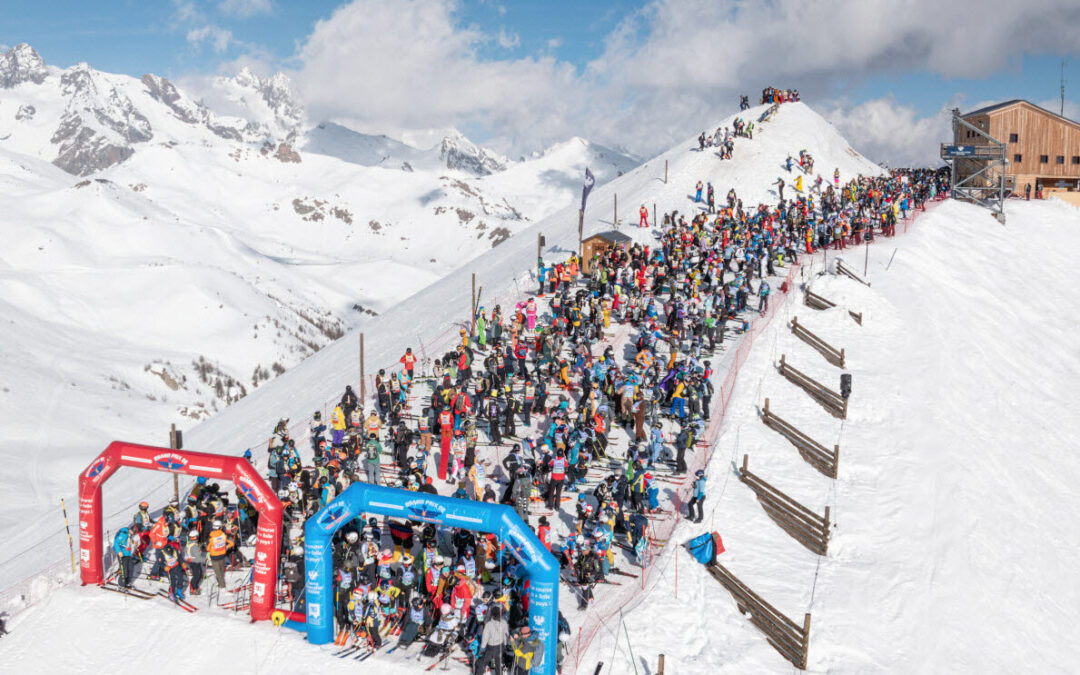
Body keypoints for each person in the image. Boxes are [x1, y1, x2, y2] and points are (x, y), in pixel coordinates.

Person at [474, 604, 508, 675]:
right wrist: (505, 644)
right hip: (500, 646)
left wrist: (482, 648)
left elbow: (485, 637)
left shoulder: (488, 624)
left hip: (491, 647)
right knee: (498, 664)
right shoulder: (504, 622)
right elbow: (505, 635)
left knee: (483, 663)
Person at [207, 518, 229, 589]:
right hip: (222, 555)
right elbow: (230, 542)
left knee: (217, 572)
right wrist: (226, 547)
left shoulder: (211, 536)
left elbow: (208, 548)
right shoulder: (223, 534)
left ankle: (222, 584)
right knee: (221, 569)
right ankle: (220, 582)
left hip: (214, 556)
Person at [184, 530, 206, 595]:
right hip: (195, 561)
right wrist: (205, 560)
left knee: (199, 573)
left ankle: (195, 586)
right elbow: (198, 557)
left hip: (193, 560)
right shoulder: (194, 546)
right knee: (196, 575)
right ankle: (193, 588)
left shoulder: (190, 543)